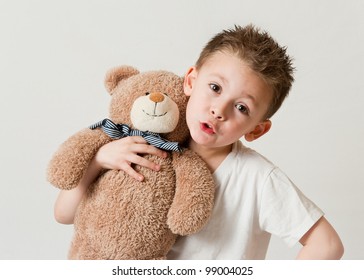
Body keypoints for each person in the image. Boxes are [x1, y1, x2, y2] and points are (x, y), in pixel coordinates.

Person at [54, 24, 344, 259]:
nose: (219, 111)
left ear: (257, 129)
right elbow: (64, 214)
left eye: (241, 107)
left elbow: (327, 245)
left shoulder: (257, 179)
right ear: (191, 80)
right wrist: (99, 160)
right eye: (215, 88)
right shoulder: (139, 144)